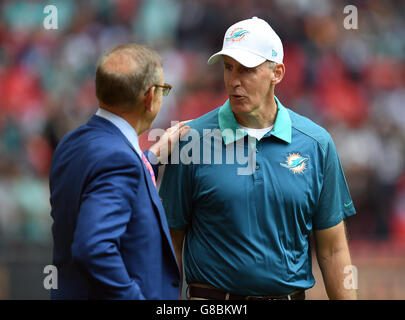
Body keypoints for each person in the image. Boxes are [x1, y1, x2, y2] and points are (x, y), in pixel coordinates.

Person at [159, 17, 358, 300]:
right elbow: (171, 244)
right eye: (228, 68)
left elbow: (333, 249)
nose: (234, 80)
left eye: (247, 70)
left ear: (277, 72)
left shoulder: (316, 144)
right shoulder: (191, 140)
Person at [49, 43, 189, 299]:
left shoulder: (72, 142)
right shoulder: (120, 161)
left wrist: (151, 158)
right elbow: (93, 248)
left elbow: (105, 177)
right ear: (149, 97)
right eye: (164, 90)